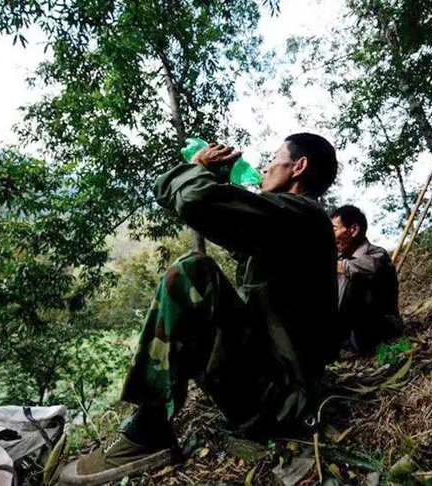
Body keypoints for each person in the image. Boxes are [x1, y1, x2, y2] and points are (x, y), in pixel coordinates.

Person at [62, 133, 339, 484]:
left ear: (298, 167)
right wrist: (207, 176)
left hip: (279, 404)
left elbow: (194, 198)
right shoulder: (290, 223)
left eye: (274, 158)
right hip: (274, 391)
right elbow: (182, 199)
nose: (266, 167)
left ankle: (149, 430)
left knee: (193, 271)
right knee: (200, 277)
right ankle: (151, 421)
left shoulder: (302, 217)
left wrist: (200, 168)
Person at [332, 205, 402, 354]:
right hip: (353, 334)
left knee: (351, 277)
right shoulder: (341, 258)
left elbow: (352, 268)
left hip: (380, 329)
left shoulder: (377, 255)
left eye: (334, 229)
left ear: (353, 230)